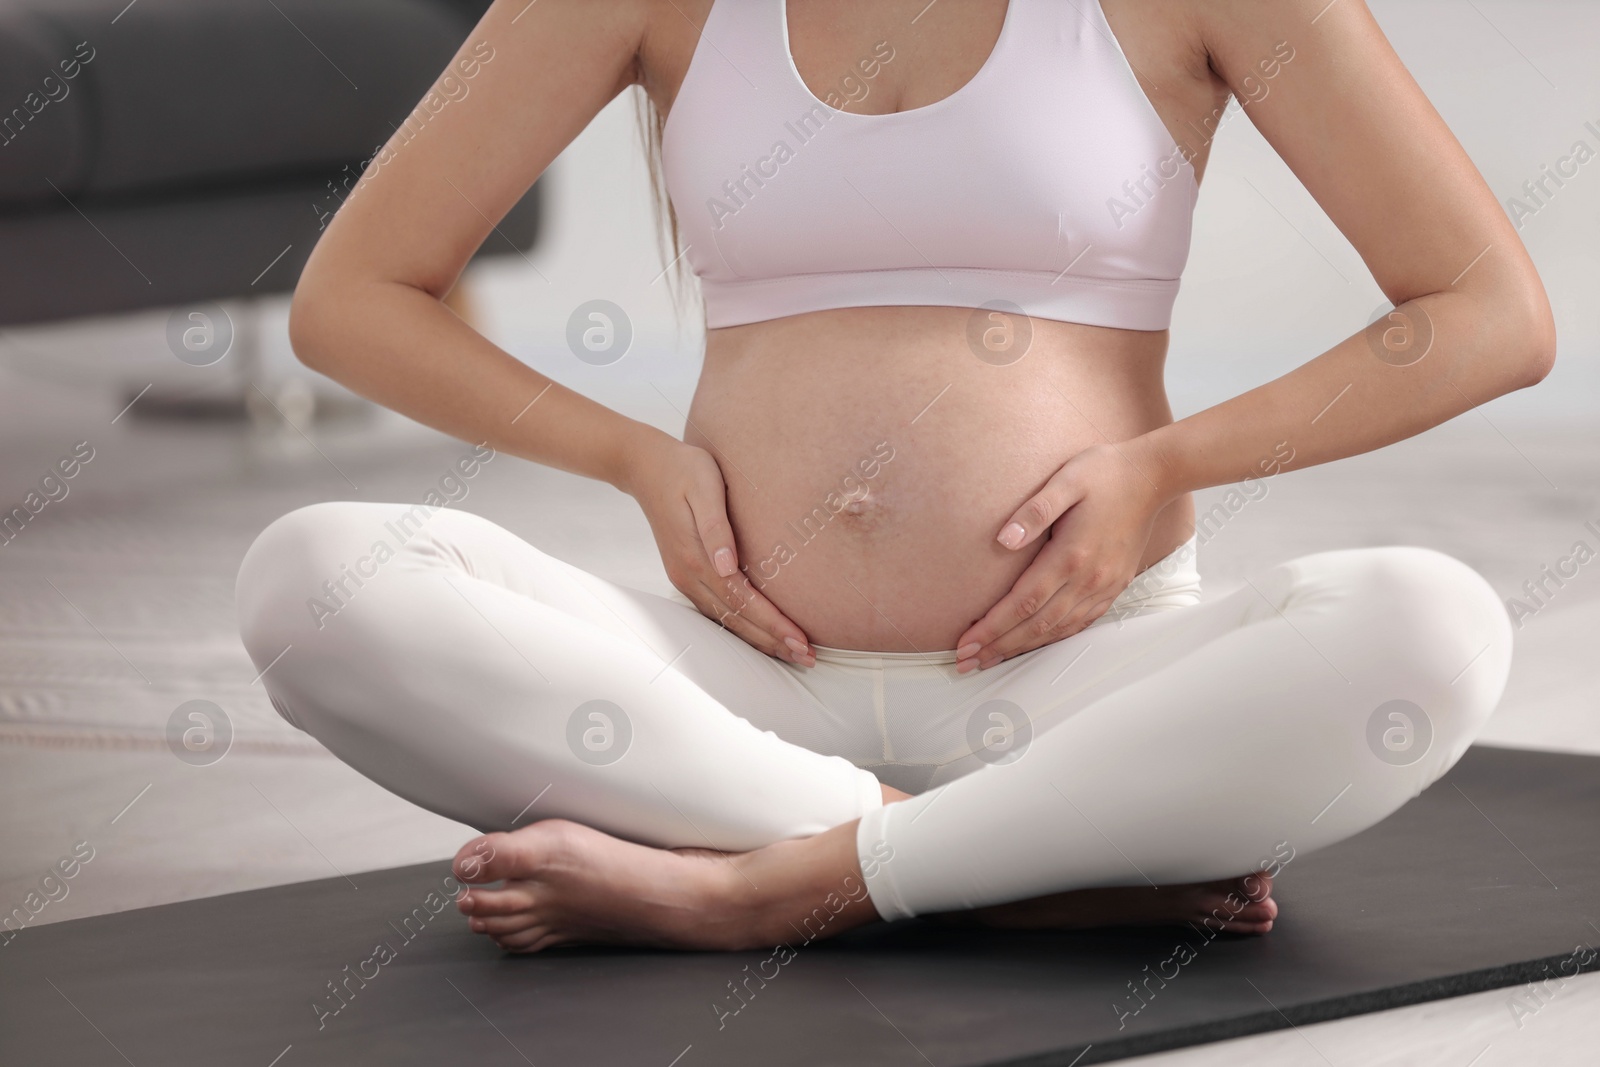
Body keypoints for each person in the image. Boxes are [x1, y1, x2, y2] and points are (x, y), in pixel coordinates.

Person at [236, 0, 1554, 953]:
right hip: (741, 689)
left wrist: (1166, 466)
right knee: (311, 582)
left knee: (1434, 628)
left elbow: (1492, 313)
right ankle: (990, 865)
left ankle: (757, 889)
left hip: (1082, 686)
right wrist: (633, 458)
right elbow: (351, 299)